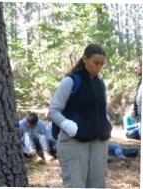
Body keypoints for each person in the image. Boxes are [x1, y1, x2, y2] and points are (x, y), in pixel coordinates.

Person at [48, 44, 112, 188]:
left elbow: (100, 109)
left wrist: (107, 121)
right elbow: (53, 111)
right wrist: (66, 124)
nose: (99, 67)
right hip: (73, 142)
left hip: (99, 142)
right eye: (96, 63)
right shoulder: (70, 81)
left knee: (98, 185)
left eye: (102, 64)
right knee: (75, 184)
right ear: (84, 58)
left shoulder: (101, 84)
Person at [133, 62, 142, 128]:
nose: (135, 71)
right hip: (138, 117)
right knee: (126, 118)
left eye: (136, 68)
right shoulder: (140, 81)